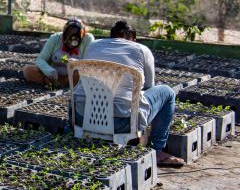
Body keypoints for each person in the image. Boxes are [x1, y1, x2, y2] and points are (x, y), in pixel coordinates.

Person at [73, 20, 183, 167]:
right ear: (133, 38)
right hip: (122, 124)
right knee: (167, 92)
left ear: (111, 36)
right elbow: (149, 87)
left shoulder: (93, 45)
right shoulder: (142, 50)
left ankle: (75, 135)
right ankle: (157, 151)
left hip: (82, 118)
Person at [23, 19, 94, 87]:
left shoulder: (87, 39)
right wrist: (50, 71)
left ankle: (67, 85)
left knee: (82, 73)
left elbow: (89, 63)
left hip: (73, 77)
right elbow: (40, 59)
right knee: (28, 70)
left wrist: (77, 63)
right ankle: (53, 83)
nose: (71, 44)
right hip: (53, 77)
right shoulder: (55, 38)